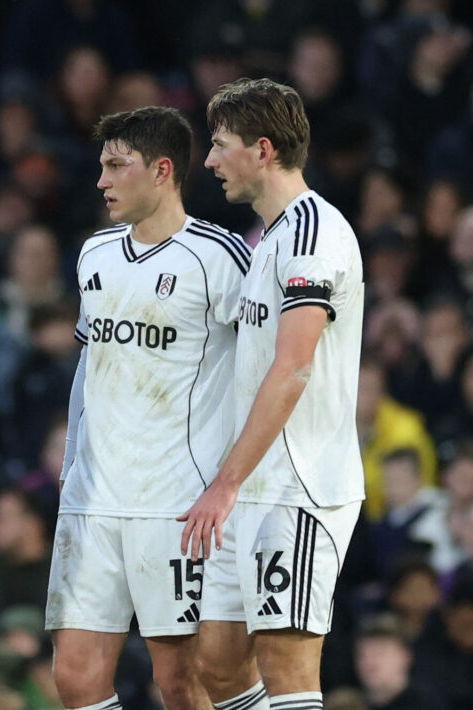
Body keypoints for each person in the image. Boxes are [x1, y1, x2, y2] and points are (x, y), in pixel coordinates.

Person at [48, 106, 250, 710]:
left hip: (176, 502)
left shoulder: (219, 257)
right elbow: (90, 366)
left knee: (182, 682)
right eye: (101, 166)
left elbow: (262, 369)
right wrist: (71, 462)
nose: (102, 181)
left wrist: (234, 482)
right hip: (93, 499)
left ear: (162, 170)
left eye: (117, 166)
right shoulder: (95, 253)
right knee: (75, 679)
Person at [180, 78, 365, 710]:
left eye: (220, 144)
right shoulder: (267, 241)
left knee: (287, 663)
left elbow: (292, 368)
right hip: (250, 485)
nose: (209, 161)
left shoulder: (313, 233)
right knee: (218, 663)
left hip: (299, 486)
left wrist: (224, 483)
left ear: (262, 151)